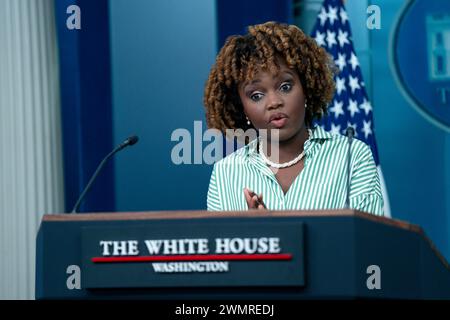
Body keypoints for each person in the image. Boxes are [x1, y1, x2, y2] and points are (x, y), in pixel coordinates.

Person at [203, 21, 384, 216]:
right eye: (256, 95)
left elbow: (368, 243)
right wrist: (256, 233)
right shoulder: (225, 173)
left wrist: (277, 232)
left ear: (306, 88)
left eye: (285, 87)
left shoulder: (352, 157)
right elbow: (221, 245)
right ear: (241, 107)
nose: (273, 102)